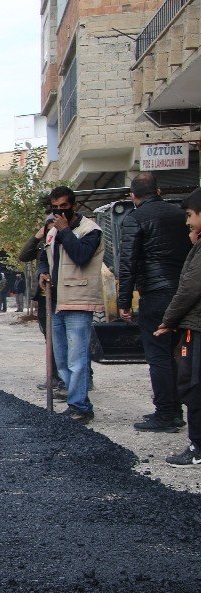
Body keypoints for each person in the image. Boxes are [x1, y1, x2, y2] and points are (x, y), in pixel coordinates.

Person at [118, 172, 191, 432]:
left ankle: (166, 414)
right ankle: (176, 412)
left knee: (158, 356)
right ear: (158, 191)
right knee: (178, 355)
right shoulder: (181, 215)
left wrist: (123, 301)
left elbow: (127, 263)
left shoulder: (135, 218)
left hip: (156, 295)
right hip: (184, 294)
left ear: (133, 196)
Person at [37, 185, 104, 423]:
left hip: (78, 300)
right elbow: (44, 257)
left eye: (63, 207)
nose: (58, 212)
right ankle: (73, 399)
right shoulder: (53, 231)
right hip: (55, 300)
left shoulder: (90, 230)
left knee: (77, 358)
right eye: (54, 208)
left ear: (73, 206)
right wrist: (42, 272)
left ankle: (81, 406)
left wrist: (65, 231)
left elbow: (81, 256)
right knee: (62, 358)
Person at [153, 188, 201, 465]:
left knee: (192, 385)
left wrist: (168, 321)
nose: (187, 222)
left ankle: (197, 448)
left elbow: (189, 289)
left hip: (195, 329)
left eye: (190, 216)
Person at [20, 215, 64, 394]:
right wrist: (38, 235)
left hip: (64, 294)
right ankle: (55, 376)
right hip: (46, 296)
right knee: (50, 338)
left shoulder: (65, 239)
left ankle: (74, 379)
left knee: (67, 339)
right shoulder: (43, 244)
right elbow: (23, 256)